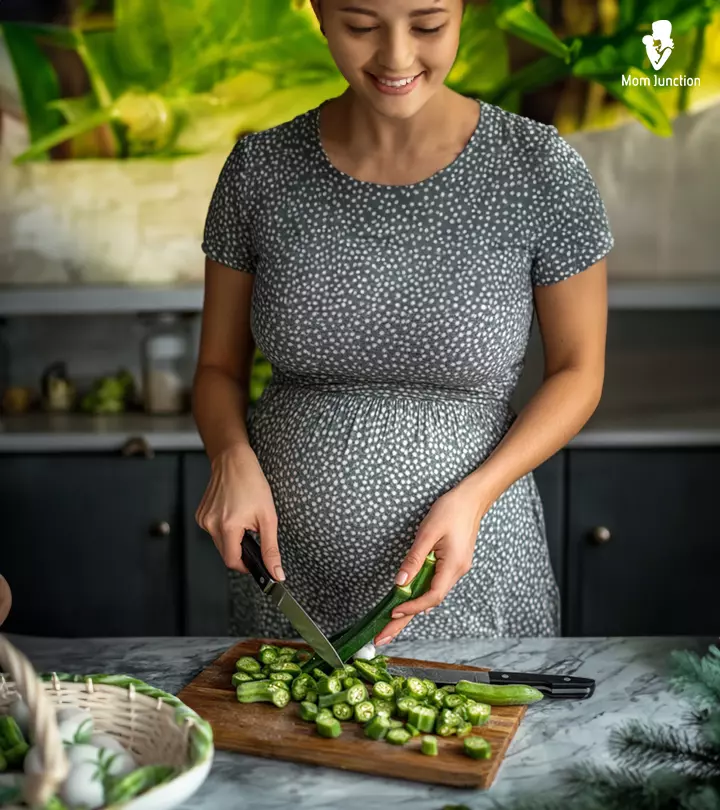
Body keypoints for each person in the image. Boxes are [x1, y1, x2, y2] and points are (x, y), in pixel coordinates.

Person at [192, 0, 613, 646]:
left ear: (464, 12)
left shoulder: (540, 170)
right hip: (284, 577)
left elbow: (579, 373)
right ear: (319, 14)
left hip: (474, 567)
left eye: (427, 25)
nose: (395, 56)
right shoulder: (259, 171)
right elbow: (218, 369)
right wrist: (229, 454)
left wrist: (475, 495)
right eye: (361, 26)